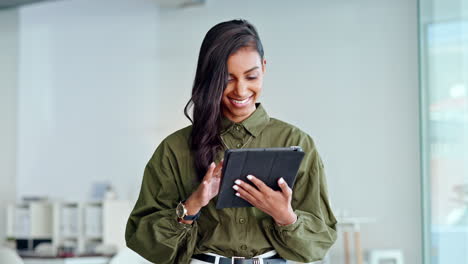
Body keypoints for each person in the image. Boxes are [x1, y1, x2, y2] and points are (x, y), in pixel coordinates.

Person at [125, 19, 337, 264]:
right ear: (210, 77)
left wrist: (285, 215)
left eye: (251, 76)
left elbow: (320, 241)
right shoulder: (174, 149)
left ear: (264, 68)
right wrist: (192, 205)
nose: (241, 90)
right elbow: (143, 240)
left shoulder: (297, 142)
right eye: (228, 79)